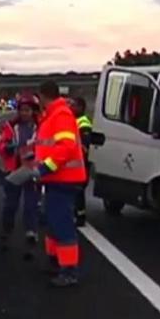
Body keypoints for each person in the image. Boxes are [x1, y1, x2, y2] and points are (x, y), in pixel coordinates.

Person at [6, 81, 87, 287]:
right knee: (52, 221)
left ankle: (69, 271)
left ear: (43, 96)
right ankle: (56, 262)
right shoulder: (52, 115)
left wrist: (44, 168)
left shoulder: (60, 115)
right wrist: (33, 158)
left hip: (64, 178)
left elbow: (65, 148)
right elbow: (48, 145)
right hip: (55, 179)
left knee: (61, 223)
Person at [0, 94, 41, 258]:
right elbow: (0, 144)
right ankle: (6, 233)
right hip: (14, 172)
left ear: (34, 111)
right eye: (22, 110)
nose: (24, 113)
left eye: (28, 110)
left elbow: (47, 146)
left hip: (32, 171)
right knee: (10, 205)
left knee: (31, 206)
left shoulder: (40, 127)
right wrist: (7, 147)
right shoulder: (11, 127)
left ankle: (31, 235)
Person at [70, 97, 93, 227]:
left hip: (81, 163)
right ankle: (76, 213)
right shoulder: (74, 121)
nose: (72, 108)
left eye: (74, 105)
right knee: (74, 190)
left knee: (78, 190)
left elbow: (84, 146)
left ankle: (80, 216)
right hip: (74, 163)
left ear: (81, 107)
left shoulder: (83, 123)